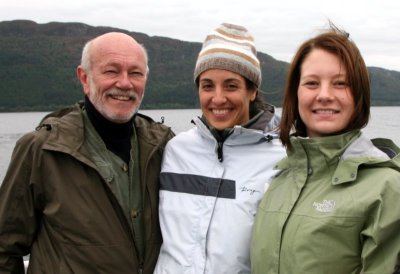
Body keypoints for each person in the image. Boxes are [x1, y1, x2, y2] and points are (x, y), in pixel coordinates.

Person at [0, 32, 174, 273]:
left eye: (135, 73)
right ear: (84, 77)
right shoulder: (41, 149)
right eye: (111, 71)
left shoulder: (165, 147)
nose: (124, 83)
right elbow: (4, 248)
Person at [251, 23, 400, 274]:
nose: (324, 95)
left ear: (359, 95)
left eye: (340, 83)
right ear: (295, 95)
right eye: (311, 83)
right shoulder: (278, 181)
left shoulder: (387, 188)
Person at [153, 23, 286, 274]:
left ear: (252, 89)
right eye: (207, 85)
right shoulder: (175, 151)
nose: (217, 98)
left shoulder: (282, 159)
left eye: (231, 85)